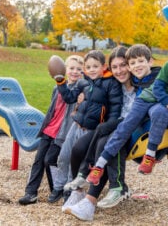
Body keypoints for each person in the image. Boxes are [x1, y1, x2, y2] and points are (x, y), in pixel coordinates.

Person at [86, 32, 168, 188]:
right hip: (147, 98)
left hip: (160, 105)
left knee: (159, 113)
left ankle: (150, 156)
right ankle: (99, 166)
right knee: (126, 126)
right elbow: (157, 88)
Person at [63, 44, 162, 220]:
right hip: (112, 125)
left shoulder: (142, 83)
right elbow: (94, 85)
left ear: (130, 65)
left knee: (105, 145)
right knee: (79, 147)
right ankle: (78, 191)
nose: (119, 70)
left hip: (133, 131)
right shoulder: (115, 84)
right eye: (115, 67)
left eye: (123, 65)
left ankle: (89, 203)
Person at [49, 50, 123, 202]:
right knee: (63, 156)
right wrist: (61, 82)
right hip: (76, 125)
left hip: (91, 129)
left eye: (95, 66)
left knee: (75, 160)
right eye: (88, 67)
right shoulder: (83, 82)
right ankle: (58, 187)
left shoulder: (111, 84)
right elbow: (69, 98)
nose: (91, 70)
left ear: (103, 66)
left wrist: (109, 125)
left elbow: (115, 108)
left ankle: (69, 190)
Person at [18, 55, 84, 205]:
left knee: (50, 160)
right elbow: (52, 110)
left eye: (79, 69)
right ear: (65, 70)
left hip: (63, 133)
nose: (75, 72)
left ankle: (57, 188)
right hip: (50, 129)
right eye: (71, 68)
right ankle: (30, 193)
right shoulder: (57, 87)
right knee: (38, 161)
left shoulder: (80, 90)